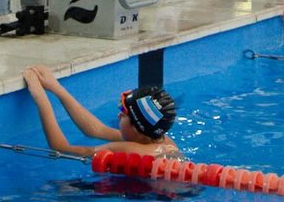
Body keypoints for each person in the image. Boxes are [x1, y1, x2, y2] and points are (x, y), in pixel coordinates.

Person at [22, 64, 179, 157]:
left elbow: (61, 149)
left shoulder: (127, 149)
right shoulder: (158, 139)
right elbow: (97, 130)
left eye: (123, 114)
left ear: (137, 128)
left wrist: (41, 100)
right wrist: (56, 88)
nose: (118, 115)